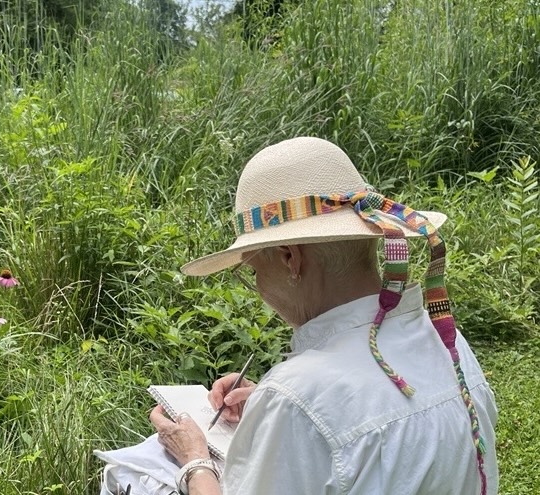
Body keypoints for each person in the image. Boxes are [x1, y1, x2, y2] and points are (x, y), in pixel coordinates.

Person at [149, 137, 498, 494]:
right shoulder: (448, 346)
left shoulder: (296, 398)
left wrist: (194, 460)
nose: (259, 288)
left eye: (254, 272)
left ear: (290, 258)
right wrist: (268, 413)